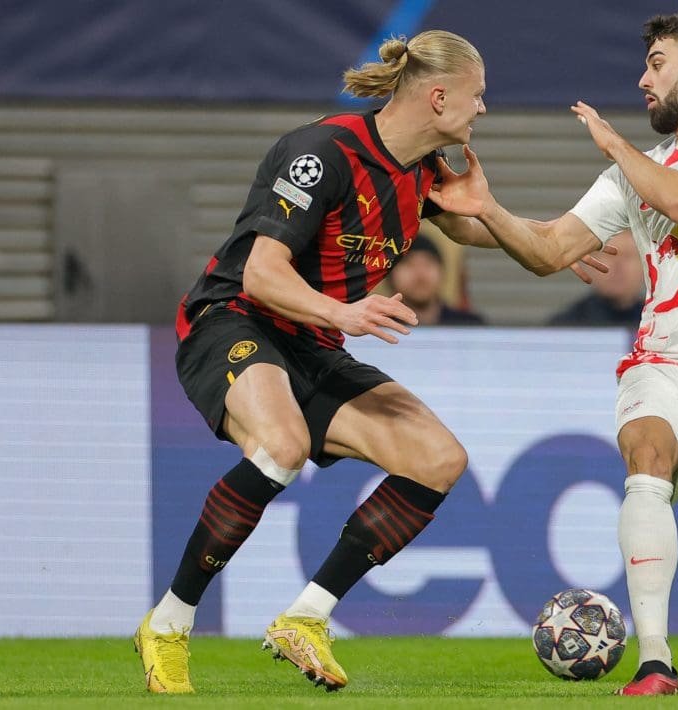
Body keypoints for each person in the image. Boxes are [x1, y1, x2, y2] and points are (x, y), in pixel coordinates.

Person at [428, 12, 678, 696]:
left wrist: (613, 145)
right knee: (646, 452)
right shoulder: (636, 173)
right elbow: (549, 249)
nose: (642, 80)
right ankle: (656, 659)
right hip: (662, 365)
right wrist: (479, 209)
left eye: (656, 64)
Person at [133, 30, 498, 694]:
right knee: (280, 445)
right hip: (234, 319)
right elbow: (263, 276)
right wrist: (345, 315)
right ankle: (167, 623)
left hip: (314, 340)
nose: (482, 111)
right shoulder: (322, 152)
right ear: (439, 97)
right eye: (477, 97)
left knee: (439, 459)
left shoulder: (424, 175)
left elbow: (520, 239)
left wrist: (568, 236)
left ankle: (306, 617)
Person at [547, 230, 644, 329]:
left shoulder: (658, 325)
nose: (618, 266)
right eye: (609, 255)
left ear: (645, 265)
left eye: (627, 256)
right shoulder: (563, 329)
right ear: (590, 264)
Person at [387, 233, 486, 325]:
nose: (420, 274)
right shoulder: (378, 328)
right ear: (391, 274)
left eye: (428, 264)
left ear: (442, 271)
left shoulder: (469, 326)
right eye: (409, 264)